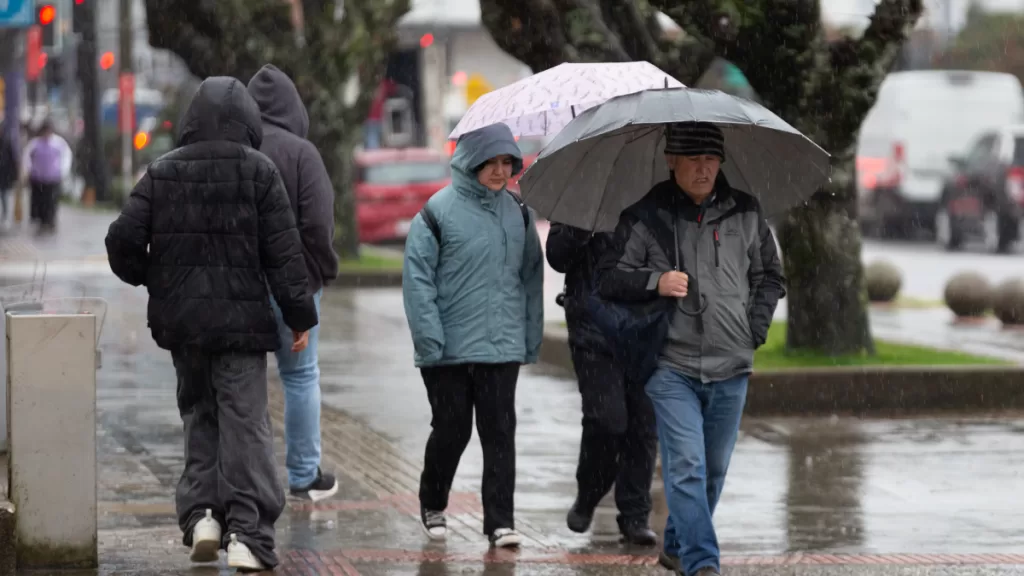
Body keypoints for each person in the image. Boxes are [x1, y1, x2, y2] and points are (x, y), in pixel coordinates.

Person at [105, 76, 318, 572]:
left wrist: (157, 277)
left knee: (199, 415)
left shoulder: (162, 172)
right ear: (249, 121)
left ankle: (203, 515)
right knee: (246, 427)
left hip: (184, 328)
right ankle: (249, 533)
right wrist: (300, 315)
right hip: (242, 328)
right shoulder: (260, 171)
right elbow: (285, 256)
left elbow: (121, 242)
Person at [596, 122, 786, 576]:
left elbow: (770, 277)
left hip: (732, 364)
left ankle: (677, 548)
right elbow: (608, 277)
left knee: (713, 472)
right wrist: (654, 281)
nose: (704, 169)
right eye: (693, 160)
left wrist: (751, 331)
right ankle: (703, 565)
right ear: (671, 161)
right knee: (686, 468)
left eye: (711, 160)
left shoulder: (746, 211)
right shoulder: (646, 216)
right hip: (670, 364)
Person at [402, 122, 544, 549]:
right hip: (446, 350)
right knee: (452, 429)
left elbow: (531, 279)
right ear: (471, 162)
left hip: (501, 346)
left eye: (508, 162)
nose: (501, 171)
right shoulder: (435, 213)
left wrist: (529, 337)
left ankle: (500, 521)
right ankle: (433, 500)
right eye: (492, 162)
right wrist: (430, 340)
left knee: (500, 432)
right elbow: (418, 279)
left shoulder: (519, 213)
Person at [248, 63, 341, 502]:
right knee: (300, 377)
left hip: (243, 284)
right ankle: (304, 476)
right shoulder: (303, 154)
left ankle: (248, 477)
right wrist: (320, 271)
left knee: (242, 382)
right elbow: (318, 224)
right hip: (295, 284)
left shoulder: (237, 148)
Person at [546, 224, 658, 545]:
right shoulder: (586, 196)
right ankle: (589, 494)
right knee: (607, 421)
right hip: (594, 332)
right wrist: (582, 231)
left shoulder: (659, 197)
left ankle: (635, 514)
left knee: (643, 426)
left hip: (645, 330)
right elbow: (557, 256)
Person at [21, 119, 72, 233]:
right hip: (38, 178)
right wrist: (28, 169)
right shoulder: (35, 143)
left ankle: (50, 221)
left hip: (52, 178)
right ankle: (42, 221)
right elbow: (26, 157)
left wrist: (63, 171)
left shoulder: (58, 143)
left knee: (51, 201)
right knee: (39, 201)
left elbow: (66, 156)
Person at [0, 120, 19, 225]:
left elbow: (13, 160)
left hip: (3, 175)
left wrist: (14, 176)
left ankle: (5, 216)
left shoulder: (7, 142)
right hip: (3, 174)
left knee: (4, 196)